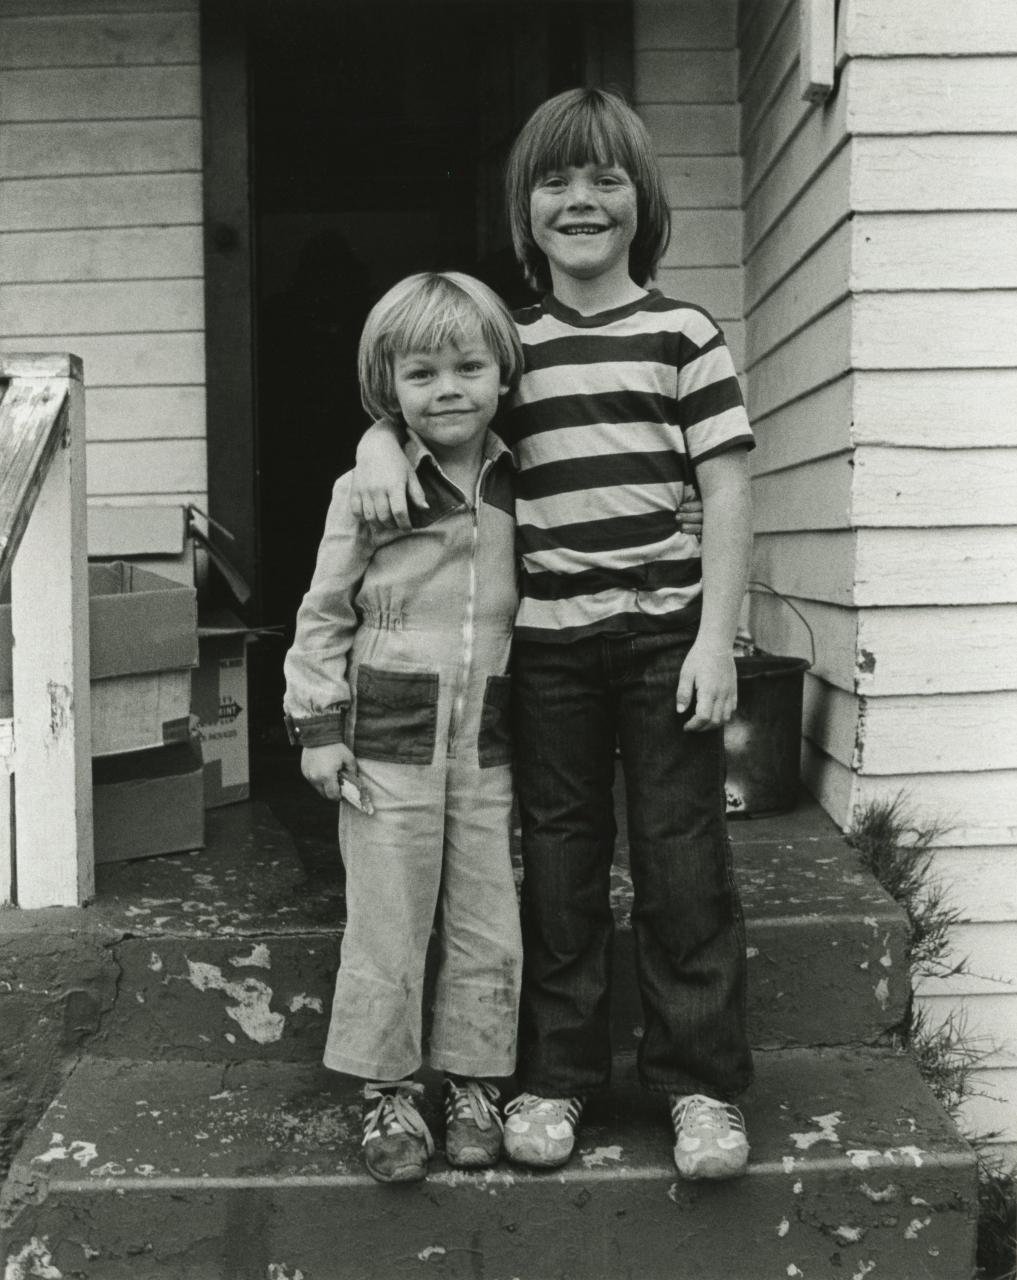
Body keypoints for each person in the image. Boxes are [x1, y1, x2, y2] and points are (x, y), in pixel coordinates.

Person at [351, 88, 755, 1181]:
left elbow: (723, 494)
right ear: (524, 209)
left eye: (605, 178)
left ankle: (699, 1083)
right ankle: (557, 1076)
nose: (581, 199)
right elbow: (438, 399)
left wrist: (719, 637)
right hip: (551, 654)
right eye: (556, 181)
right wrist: (378, 444)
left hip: (669, 639)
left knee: (682, 863)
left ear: (644, 199)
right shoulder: (511, 348)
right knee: (561, 866)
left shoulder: (685, 333)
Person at [283, 271, 525, 1184]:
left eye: (468, 367)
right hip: (386, 732)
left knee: (486, 916)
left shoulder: (517, 474)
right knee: (388, 917)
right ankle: (388, 1092)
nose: (448, 389)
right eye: (420, 375)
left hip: (488, 732)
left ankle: (471, 1082)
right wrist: (317, 723)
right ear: (388, 388)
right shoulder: (370, 487)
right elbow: (323, 610)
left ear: (503, 372)